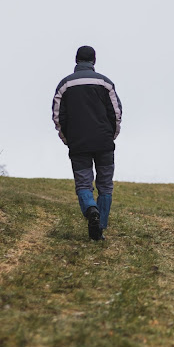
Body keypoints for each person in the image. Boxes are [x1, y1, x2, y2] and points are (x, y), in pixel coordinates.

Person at [52, 45, 122, 241]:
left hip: (78, 144)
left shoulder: (64, 85)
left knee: (84, 184)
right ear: (94, 61)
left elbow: (58, 116)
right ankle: (99, 227)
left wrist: (67, 139)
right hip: (104, 142)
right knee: (105, 186)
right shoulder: (105, 83)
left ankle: (91, 210)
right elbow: (116, 113)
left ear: (76, 60)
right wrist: (112, 135)